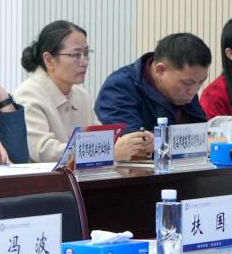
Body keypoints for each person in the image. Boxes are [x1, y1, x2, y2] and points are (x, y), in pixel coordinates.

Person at [15, 20, 153, 163]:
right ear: (49, 60)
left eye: (86, 53)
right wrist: (110, 152)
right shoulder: (28, 94)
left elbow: (102, 140)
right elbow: (44, 152)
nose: (84, 61)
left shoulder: (81, 96)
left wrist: (138, 144)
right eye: (76, 55)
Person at [95, 33, 211, 130]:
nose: (194, 91)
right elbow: (134, 144)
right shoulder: (118, 88)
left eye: (201, 81)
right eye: (188, 83)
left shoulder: (186, 89)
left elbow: (201, 133)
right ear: (160, 70)